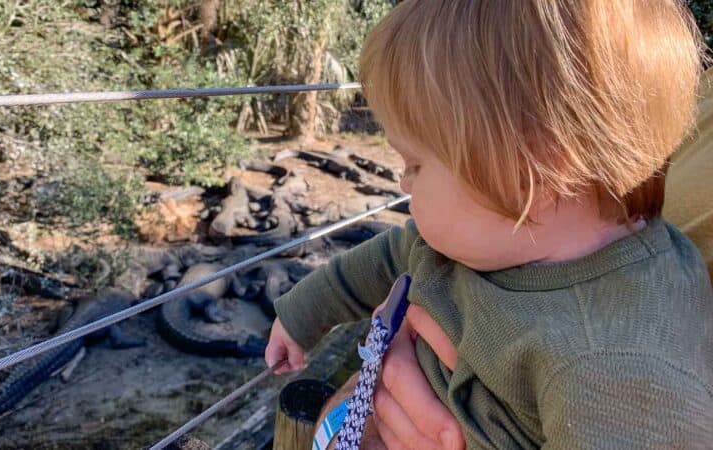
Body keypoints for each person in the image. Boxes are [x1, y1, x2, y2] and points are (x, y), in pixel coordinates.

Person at [265, 1, 713, 448]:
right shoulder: (497, 236)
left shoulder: (613, 371)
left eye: (416, 163)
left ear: (534, 171)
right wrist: (302, 313)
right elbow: (389, 255)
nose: (403, 180)